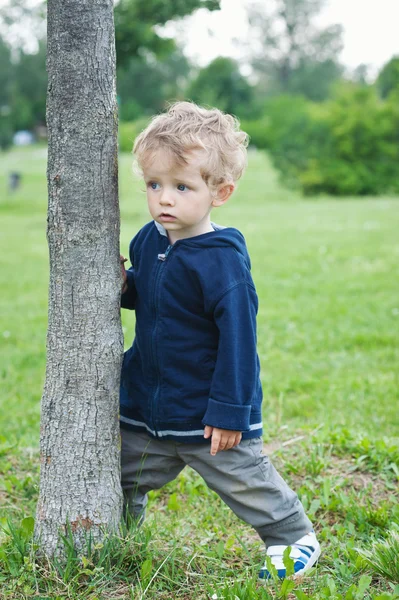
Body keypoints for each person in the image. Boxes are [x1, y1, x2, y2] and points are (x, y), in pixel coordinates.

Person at [119, 101, 320, 580]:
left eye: (182, 186)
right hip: (149, 407)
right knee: (122, 476)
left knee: (245, 481)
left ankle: (293, 537)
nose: (164, 199)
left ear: (220, 192)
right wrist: (125, 289)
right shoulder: (149, 240)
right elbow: (154, 298)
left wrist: (230, 411)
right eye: (154, 184)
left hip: (211, 416)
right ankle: (117, 533)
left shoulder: (223, 263)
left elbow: (239, 342)